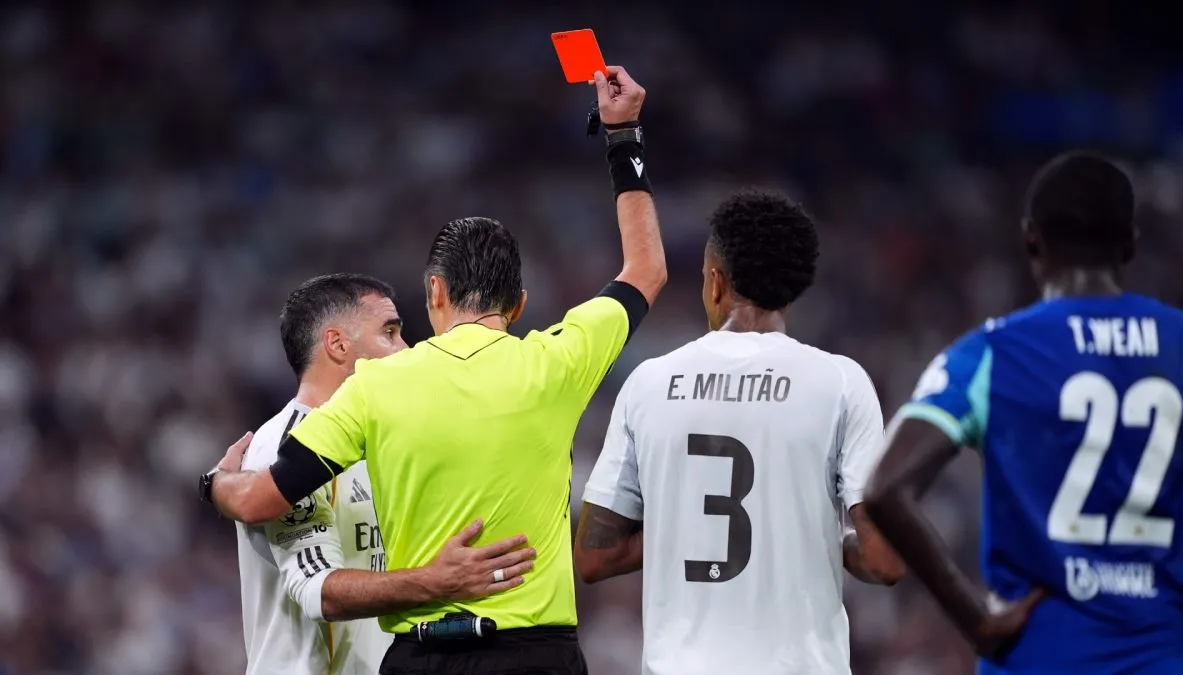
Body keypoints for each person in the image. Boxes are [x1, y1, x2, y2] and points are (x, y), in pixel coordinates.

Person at [201, 65, 666, 675]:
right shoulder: (558, 360)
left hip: (423, 656)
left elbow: (261, 500)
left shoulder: (377, 385)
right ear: (519, 304)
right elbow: (645, 270)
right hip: (537, 657)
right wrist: (622, 134)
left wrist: (214, 484)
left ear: (435, 293)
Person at [864, 151, 1183, 674]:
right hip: (1159, 655)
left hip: (1036, 657)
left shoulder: (990, 354)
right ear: (1131, 243)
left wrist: (973, 617)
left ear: (1030, 239)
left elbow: (885, 489)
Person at [575, 189, 906, 675]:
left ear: (714, 282)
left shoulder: (648, 382)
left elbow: (593, 558)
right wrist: (798, 532)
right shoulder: (841, 382)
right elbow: (884, 562)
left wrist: (685, 524)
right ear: (793, 290)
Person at [202, 273, 535, 675]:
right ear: (338, 344)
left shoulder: (382, 441)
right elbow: (317, 593)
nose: (406, 348)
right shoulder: (286, 450)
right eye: (390, 333)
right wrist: (435, 580)